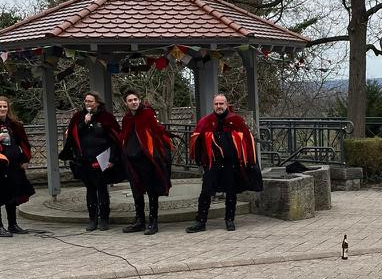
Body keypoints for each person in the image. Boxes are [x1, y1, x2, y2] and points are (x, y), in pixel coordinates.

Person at [186, 93, 262, 233]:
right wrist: (200, 160)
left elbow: (247, 140)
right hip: (212, 163)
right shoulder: (206, 122)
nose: (219, 106)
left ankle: (229, 220)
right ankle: (200, 222)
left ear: (226, 105)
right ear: (213, 105)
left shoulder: (236, 121)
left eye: (221, 103)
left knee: (231, 192)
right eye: (216, 104)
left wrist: (247, 161)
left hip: (231, 163)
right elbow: (196, 141)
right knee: (206, 192)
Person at [59, 91, 123, 231]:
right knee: (90, 189)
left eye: (90, 101)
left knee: (101, 188)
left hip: (101, 159)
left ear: (97, 103)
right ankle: (92, 219)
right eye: (86, 101)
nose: (87, 103)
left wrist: (112, 158)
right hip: (84, 160)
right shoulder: (78, 117)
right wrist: (84, 123)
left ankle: (104, 219)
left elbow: (115, 138)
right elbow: (72, 136)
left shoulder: (106, 117)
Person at [119, 90, 174, 235]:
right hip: (132, 161)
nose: (133, 102)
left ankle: (153, 221)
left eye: (135, 99)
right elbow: (124, 137)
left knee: (152, 190)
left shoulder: (148, 114)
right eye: (130, 100)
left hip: (147, 159)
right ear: (126, 103)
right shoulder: (126, 119)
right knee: (136, 191)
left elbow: (156, 132)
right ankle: (140, 220)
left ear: (139, 100)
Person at [0, 96, 35, 237]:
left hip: (14, 164)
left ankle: (13, 224)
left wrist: (25, 159)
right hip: (0, 165)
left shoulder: (14, 124)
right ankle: (0, 227)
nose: (2, 109)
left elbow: (24, 143)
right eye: (0, 106)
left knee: (13, 194)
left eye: (5, 106)